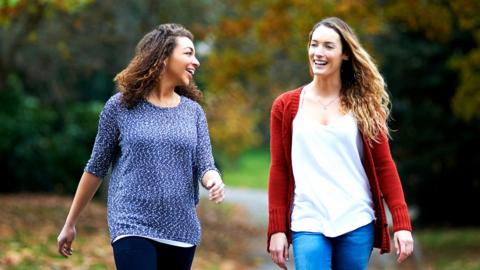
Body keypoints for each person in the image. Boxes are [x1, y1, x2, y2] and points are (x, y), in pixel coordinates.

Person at [57, 23, 225, 270]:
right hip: (132, 224)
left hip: (181, 229)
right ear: (163, 56)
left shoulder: (193, 113)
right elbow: (96, 167)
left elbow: (205, 164)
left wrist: (213, 180)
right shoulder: (120, 107)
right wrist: (70, 222)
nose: (196, 61)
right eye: (188, 53)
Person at [267, 17, 414, 270]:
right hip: (307, 220)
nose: (318, 53)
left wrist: (401, 224)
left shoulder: (365, 106)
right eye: (314, 45)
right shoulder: (285, 106)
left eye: (328, 46)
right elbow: (279, 169)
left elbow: (384, 166)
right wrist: (277, 229)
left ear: (345, 53)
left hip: (356, 220)